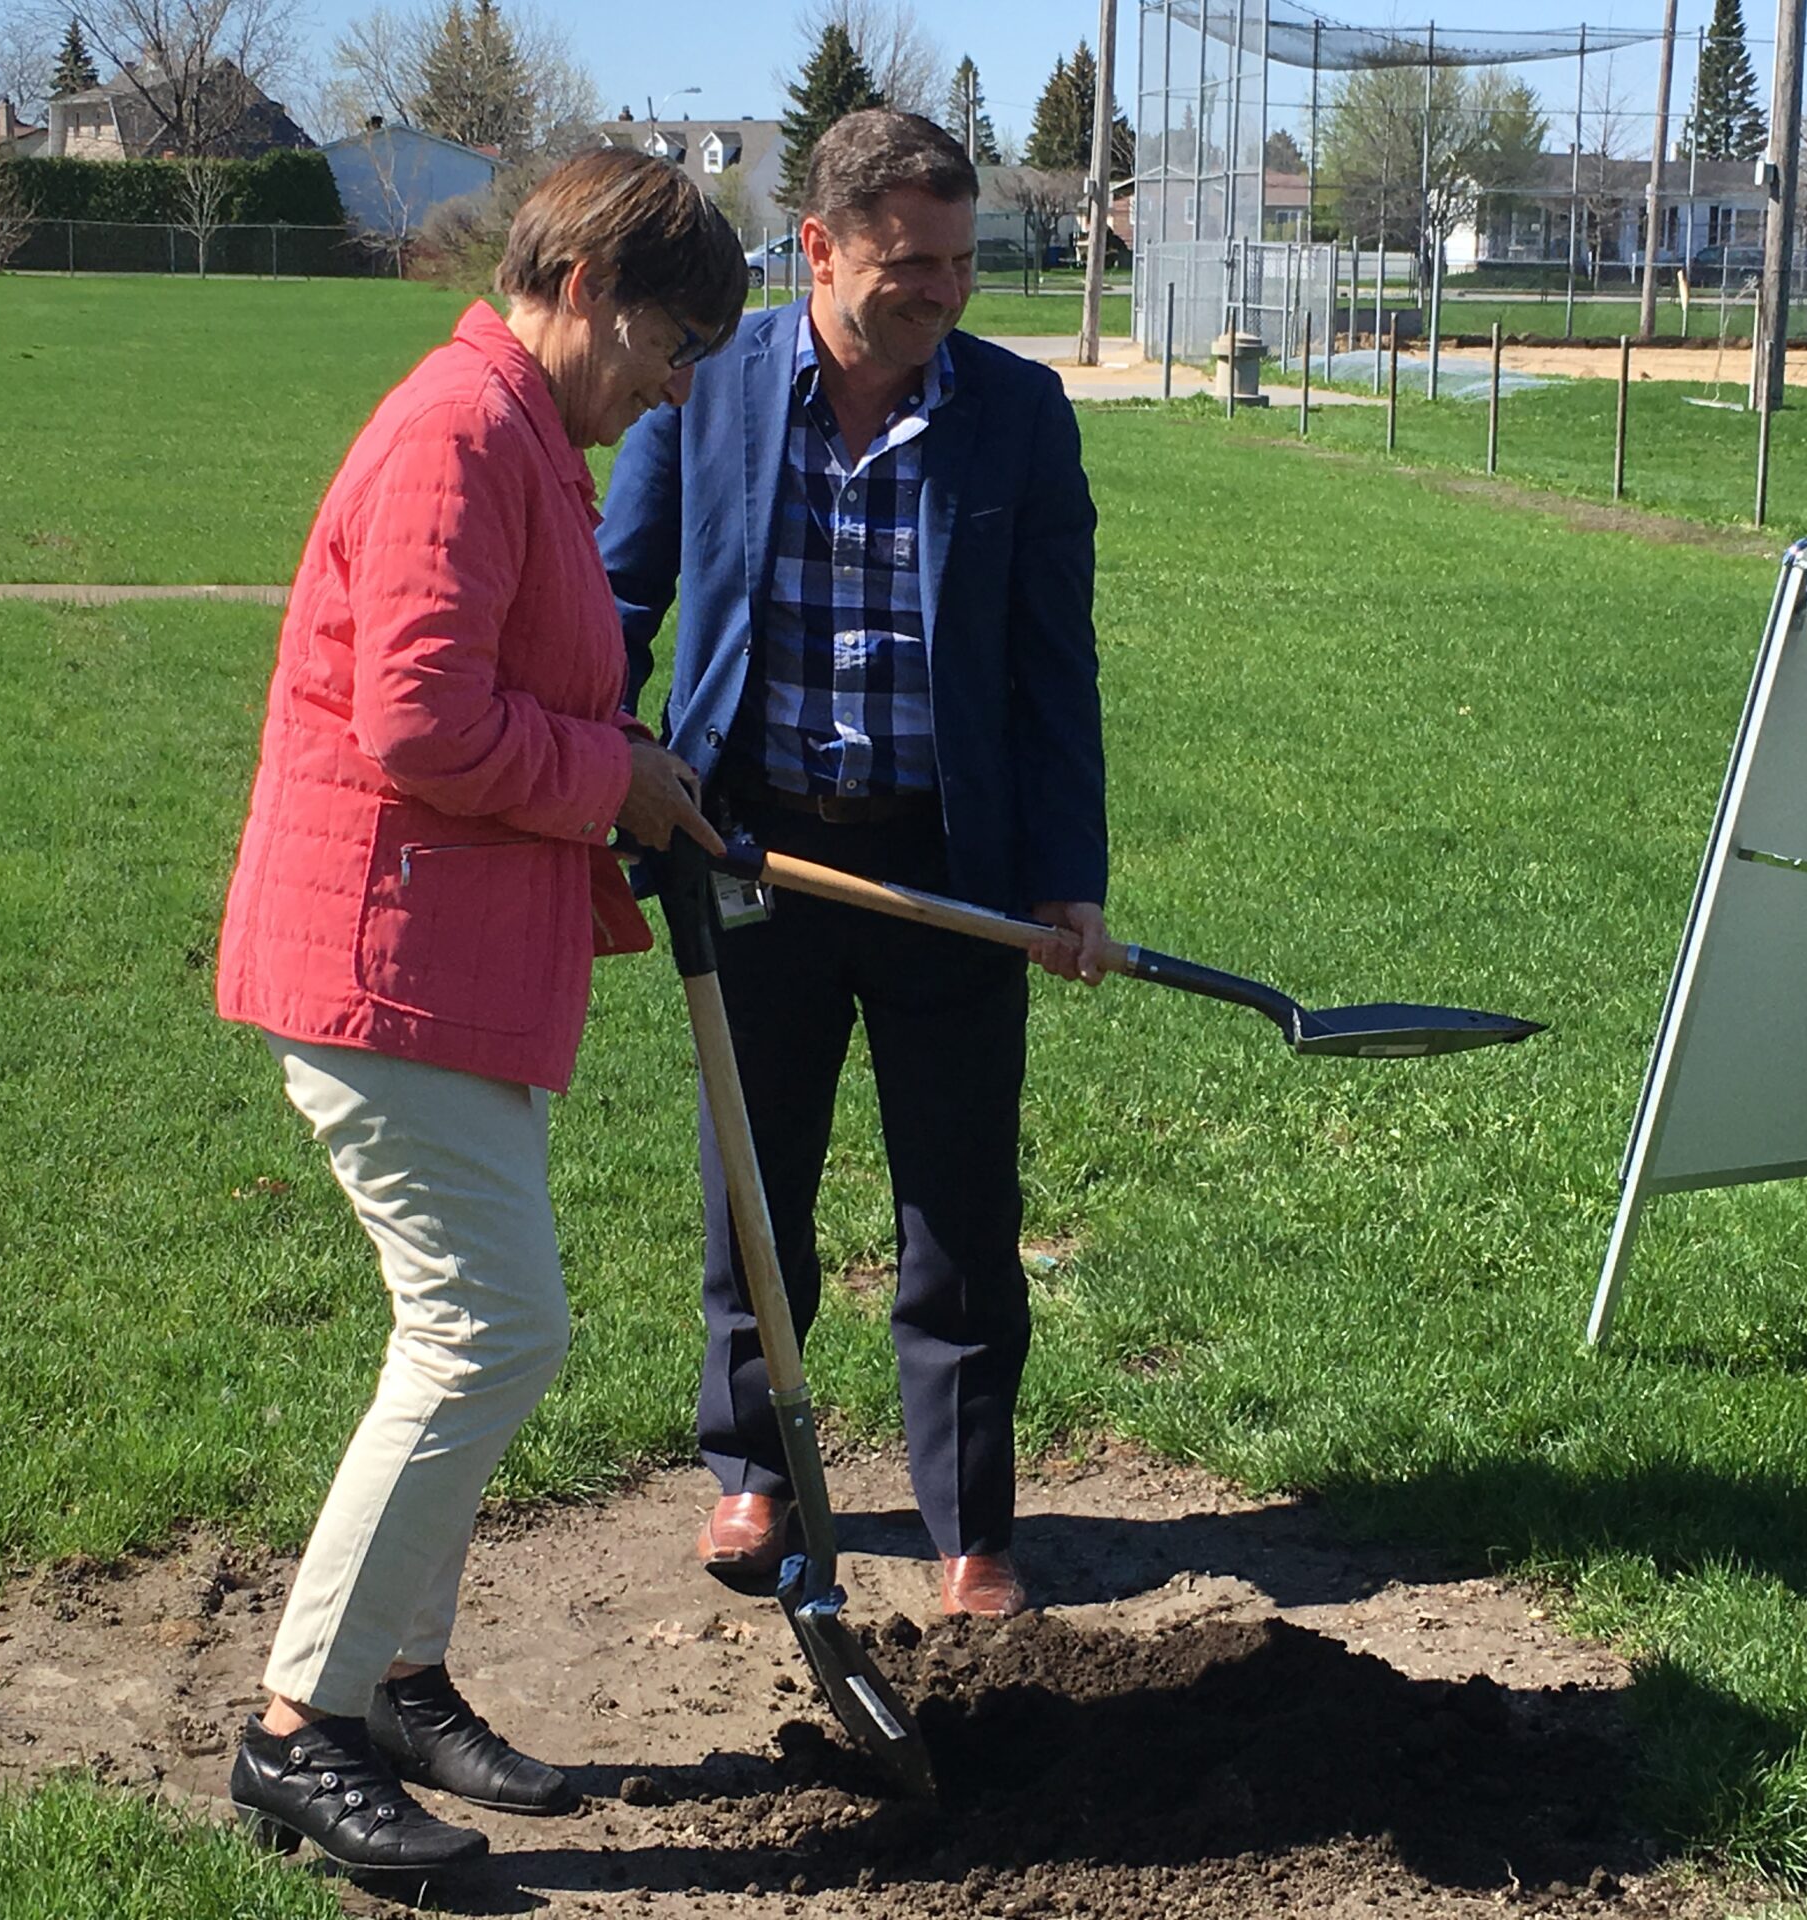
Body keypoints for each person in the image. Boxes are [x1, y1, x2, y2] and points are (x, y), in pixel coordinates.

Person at [211, 149, 740, 1877]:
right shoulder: (459, 432)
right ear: (584, 281)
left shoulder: (520, 435)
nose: (674, 385)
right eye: (672, 342)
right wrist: (615, 778)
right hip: (379, 961)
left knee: (472, 1326)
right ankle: (304, 1724)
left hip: (447, 966)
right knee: (490, 1332)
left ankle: (403, 1678)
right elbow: (424, 723)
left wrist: (631, 770)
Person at [599, 109, 1114, 1624]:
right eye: (909, 263)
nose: (944, 289)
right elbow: (611, 599)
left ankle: (971, 1532)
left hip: (953, 875)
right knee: (755, 1184)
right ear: (817, 249)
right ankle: (751, 1470)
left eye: (961, 261)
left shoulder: (1016, 414)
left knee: (958, 1212)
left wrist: (1066, 877)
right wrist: (608, 757)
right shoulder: (709, 389)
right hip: (750, 857)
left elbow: (1050, 668)